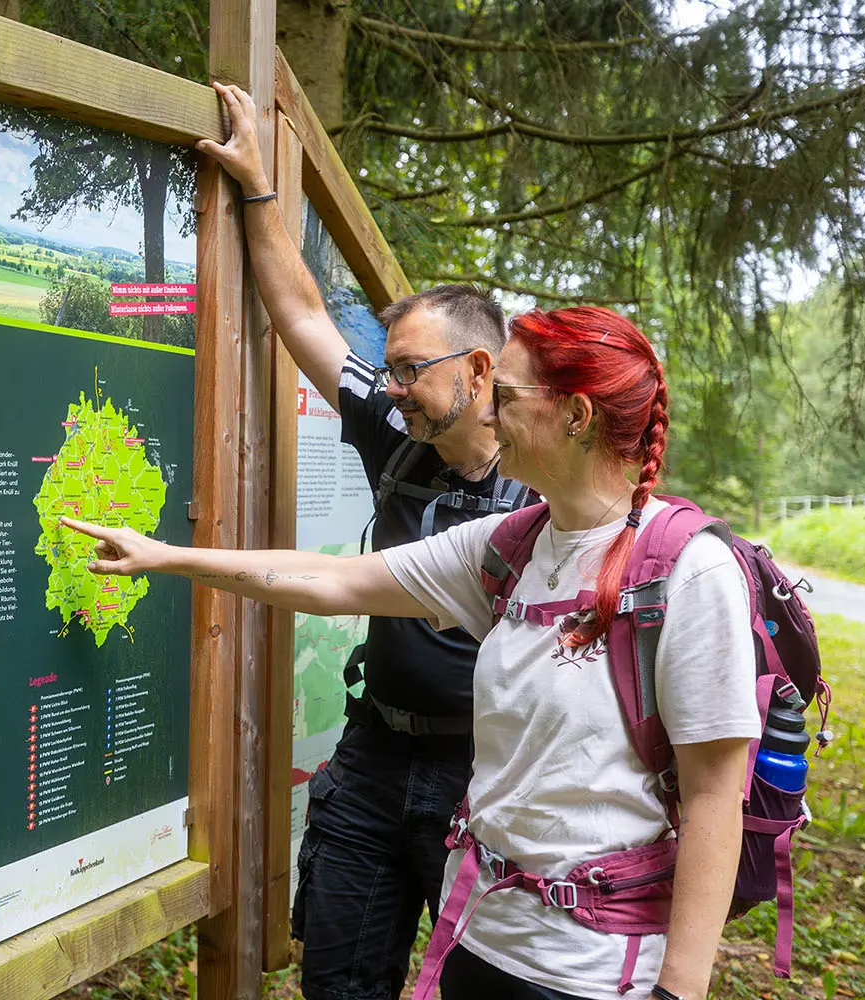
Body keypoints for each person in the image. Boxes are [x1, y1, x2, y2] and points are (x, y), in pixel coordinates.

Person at [60, 305, 757, 1000]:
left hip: (595, 970)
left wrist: (678, 992)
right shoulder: (512, 545)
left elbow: (715, 799)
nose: (488, 416)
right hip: (483, 942)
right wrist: (168, 556)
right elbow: (334, 580)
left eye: (506, 399)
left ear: (575, 415)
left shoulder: (687, 572)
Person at [192, 81, 535, 998]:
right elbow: (303, 316)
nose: (390, 389)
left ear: (476, 371)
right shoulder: (395, 432)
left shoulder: (545, 480)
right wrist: (263, 193)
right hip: (374, 760)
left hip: (487, 777)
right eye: (387, 370)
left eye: (410, 371)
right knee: (340, 982)